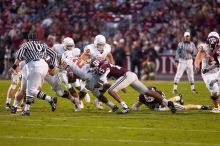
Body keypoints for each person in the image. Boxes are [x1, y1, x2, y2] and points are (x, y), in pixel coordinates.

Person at [89, 59, 176, 114]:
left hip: (127, 75)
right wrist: (121, 86)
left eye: (94, 68)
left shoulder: (103, 67)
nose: (94, 70)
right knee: (147, 92)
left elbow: (103, 79)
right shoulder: (105, 64)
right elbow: (108, 81)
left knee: (111, 90)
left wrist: (94, 87)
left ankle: (125, 107)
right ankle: (168, 103)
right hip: (130, 75)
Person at [9, 32, 57, 116]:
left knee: (30, 90)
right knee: (25, 87)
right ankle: (16, 107)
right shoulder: (42, 45)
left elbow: (19, 56)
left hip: (33, 65)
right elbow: (54, 54)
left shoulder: (26, 45)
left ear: (29, 39)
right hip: (42, 65)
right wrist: (51, 67)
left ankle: (50, 99)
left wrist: (13, 67)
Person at [80, 34, 115, 109]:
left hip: (101, 70)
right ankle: (79, 101)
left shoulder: (107, 47)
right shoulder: (90, 48)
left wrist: (112, 64)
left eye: (102, 44)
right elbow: (82, 58)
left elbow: (109, 55)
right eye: (99, 44)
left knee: (105, 85)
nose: (101, 46)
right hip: (91, 70)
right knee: (87, 87)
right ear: (95, 43)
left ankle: (98, 100)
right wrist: (88, 61)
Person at [195, 31, 220, 113]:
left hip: (217, 71)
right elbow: (198, 58)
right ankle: (216, 107)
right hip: (208, 74)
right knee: (215, 90)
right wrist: (197, 65)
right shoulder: (204, 48)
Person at [132, 86, 212, 111]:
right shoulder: (142, 96)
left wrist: (161, 108)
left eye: (151, 95)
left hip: (162, 105)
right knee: (161, 108)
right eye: (147, 95)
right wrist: (136, 108)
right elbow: (136, 105)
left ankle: (201, 106)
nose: (149, 96)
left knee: (182, 108)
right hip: (159, 107)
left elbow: (166, 103)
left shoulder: (158, 95)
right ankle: (178, 97)